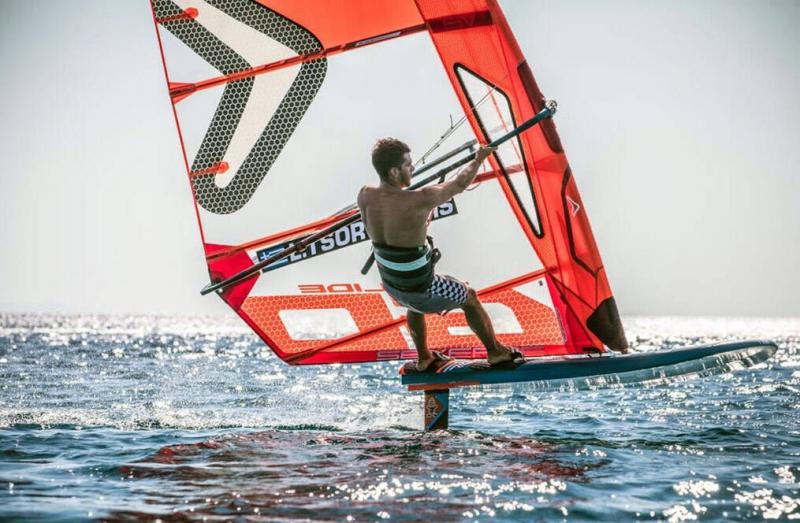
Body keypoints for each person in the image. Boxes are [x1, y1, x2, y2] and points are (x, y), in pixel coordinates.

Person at [357, 138, 524, 372]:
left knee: (413, 300)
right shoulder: (421, 199)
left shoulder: (365, 195)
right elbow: (460, 183)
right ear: (394, 171)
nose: (413, 168)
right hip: (420, 288)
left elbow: (394, 204)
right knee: (469, 297)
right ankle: (496, 353)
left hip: (393, 287)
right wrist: (479, 159)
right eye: (408, 165)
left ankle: (424, 357)